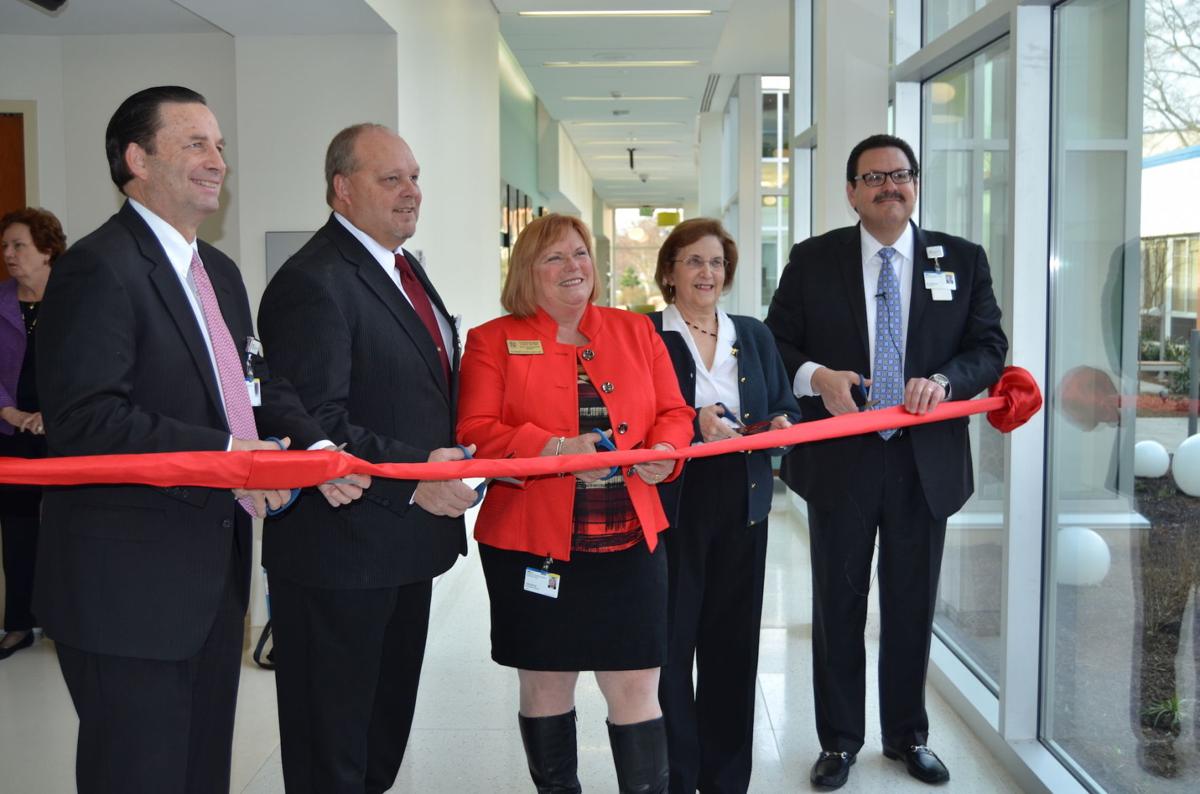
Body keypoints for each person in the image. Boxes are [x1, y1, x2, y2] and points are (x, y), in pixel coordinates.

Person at [33, 86, 367, 794]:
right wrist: (234, 458)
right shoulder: (98, 268)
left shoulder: (217, 271)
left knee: (200, 773)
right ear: (137, 159)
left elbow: (256, 384)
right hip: (128, 588)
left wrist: (316, 452)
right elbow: (86, 421)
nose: (218, 160)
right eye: (195, 144)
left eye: (219, 146)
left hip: (213, 578)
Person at [764, 134, 1008, 789]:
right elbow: (775, 343)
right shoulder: (813, 260)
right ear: (851, 192)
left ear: (915, 184)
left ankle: (907, 737)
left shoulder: (961, 258)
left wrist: (947, 381)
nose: (889, 187)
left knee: (911, 607)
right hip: (840, 462)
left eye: (900, 175)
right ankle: (840, 742)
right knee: (837, 608)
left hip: (924, 465)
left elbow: (989, 347)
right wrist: (817, 378)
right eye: (873, 178)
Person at [257, 123, 475, 794]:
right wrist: (415, 478)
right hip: (340, 552)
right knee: (334, 749)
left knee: (380, 736)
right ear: (342, 188)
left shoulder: (402, 268)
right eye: (391, 179)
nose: (412, 192)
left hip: (403, 546)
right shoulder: (313, 281)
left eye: (415, 177)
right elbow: (316, 421)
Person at [457, 213, 695, 794]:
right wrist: (557, 449)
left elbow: (674, 412)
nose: (574, 267)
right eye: (555, 257)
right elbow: (476, 431)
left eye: (581, 253)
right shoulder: (491, 341)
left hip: (630, 542)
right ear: (526, 271)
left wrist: (667, 451)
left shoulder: (637, 331)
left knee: (637, 687)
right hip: (532, 549)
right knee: (546, 687)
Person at [648, 217, 800, 793]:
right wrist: (693, 422)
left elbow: (785, 405)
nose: (707, 273)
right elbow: (632, 417)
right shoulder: (647, 334)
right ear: (669, 272)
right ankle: (677, 776)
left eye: (716, 263)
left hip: (744, 501)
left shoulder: (753, 334)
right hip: (673, 503)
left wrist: (782, 424)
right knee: (670, 647)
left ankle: (726, 779)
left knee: (732, 648)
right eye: (693, 261)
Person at [0, 208, 65, 660]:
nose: (9, 254)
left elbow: (88, 365)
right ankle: (19, 623)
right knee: (18, 528)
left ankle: (64, 621)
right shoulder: (1, 302)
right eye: (5, 246)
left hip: (66, 430)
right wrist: (11, 412)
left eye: (18, 245)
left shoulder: (75, 298)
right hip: (11, 429)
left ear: (46, 250)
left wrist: (53, 413)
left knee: (67, 525)